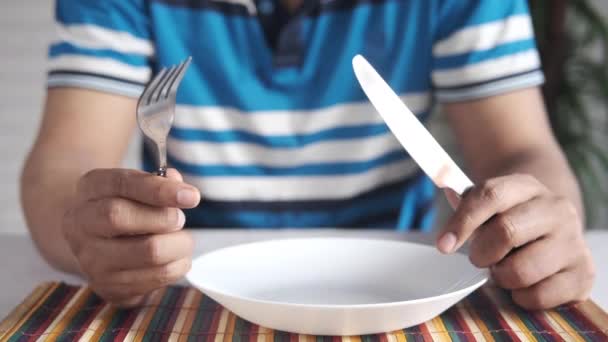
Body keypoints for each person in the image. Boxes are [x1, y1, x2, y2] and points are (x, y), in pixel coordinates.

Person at [21, 0, 594, 309]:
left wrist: (538, 221)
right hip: (199, 284)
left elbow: (522, 151)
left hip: (399, 281)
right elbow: (62, 166)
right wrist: (93, 229)